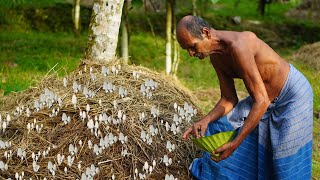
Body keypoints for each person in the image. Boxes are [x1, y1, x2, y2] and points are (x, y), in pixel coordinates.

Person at [177, 15, 313, 179]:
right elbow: (228, 99)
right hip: (264, 98)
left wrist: (236, 143)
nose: (191, 53)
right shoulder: (216, 57)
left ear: (206, 33)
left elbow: (261, 101)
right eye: (187, 50)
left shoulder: (240, 46)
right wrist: (205, 120)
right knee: (219, 127)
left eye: (192, 46)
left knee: (287, 161)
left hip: (292, 96)